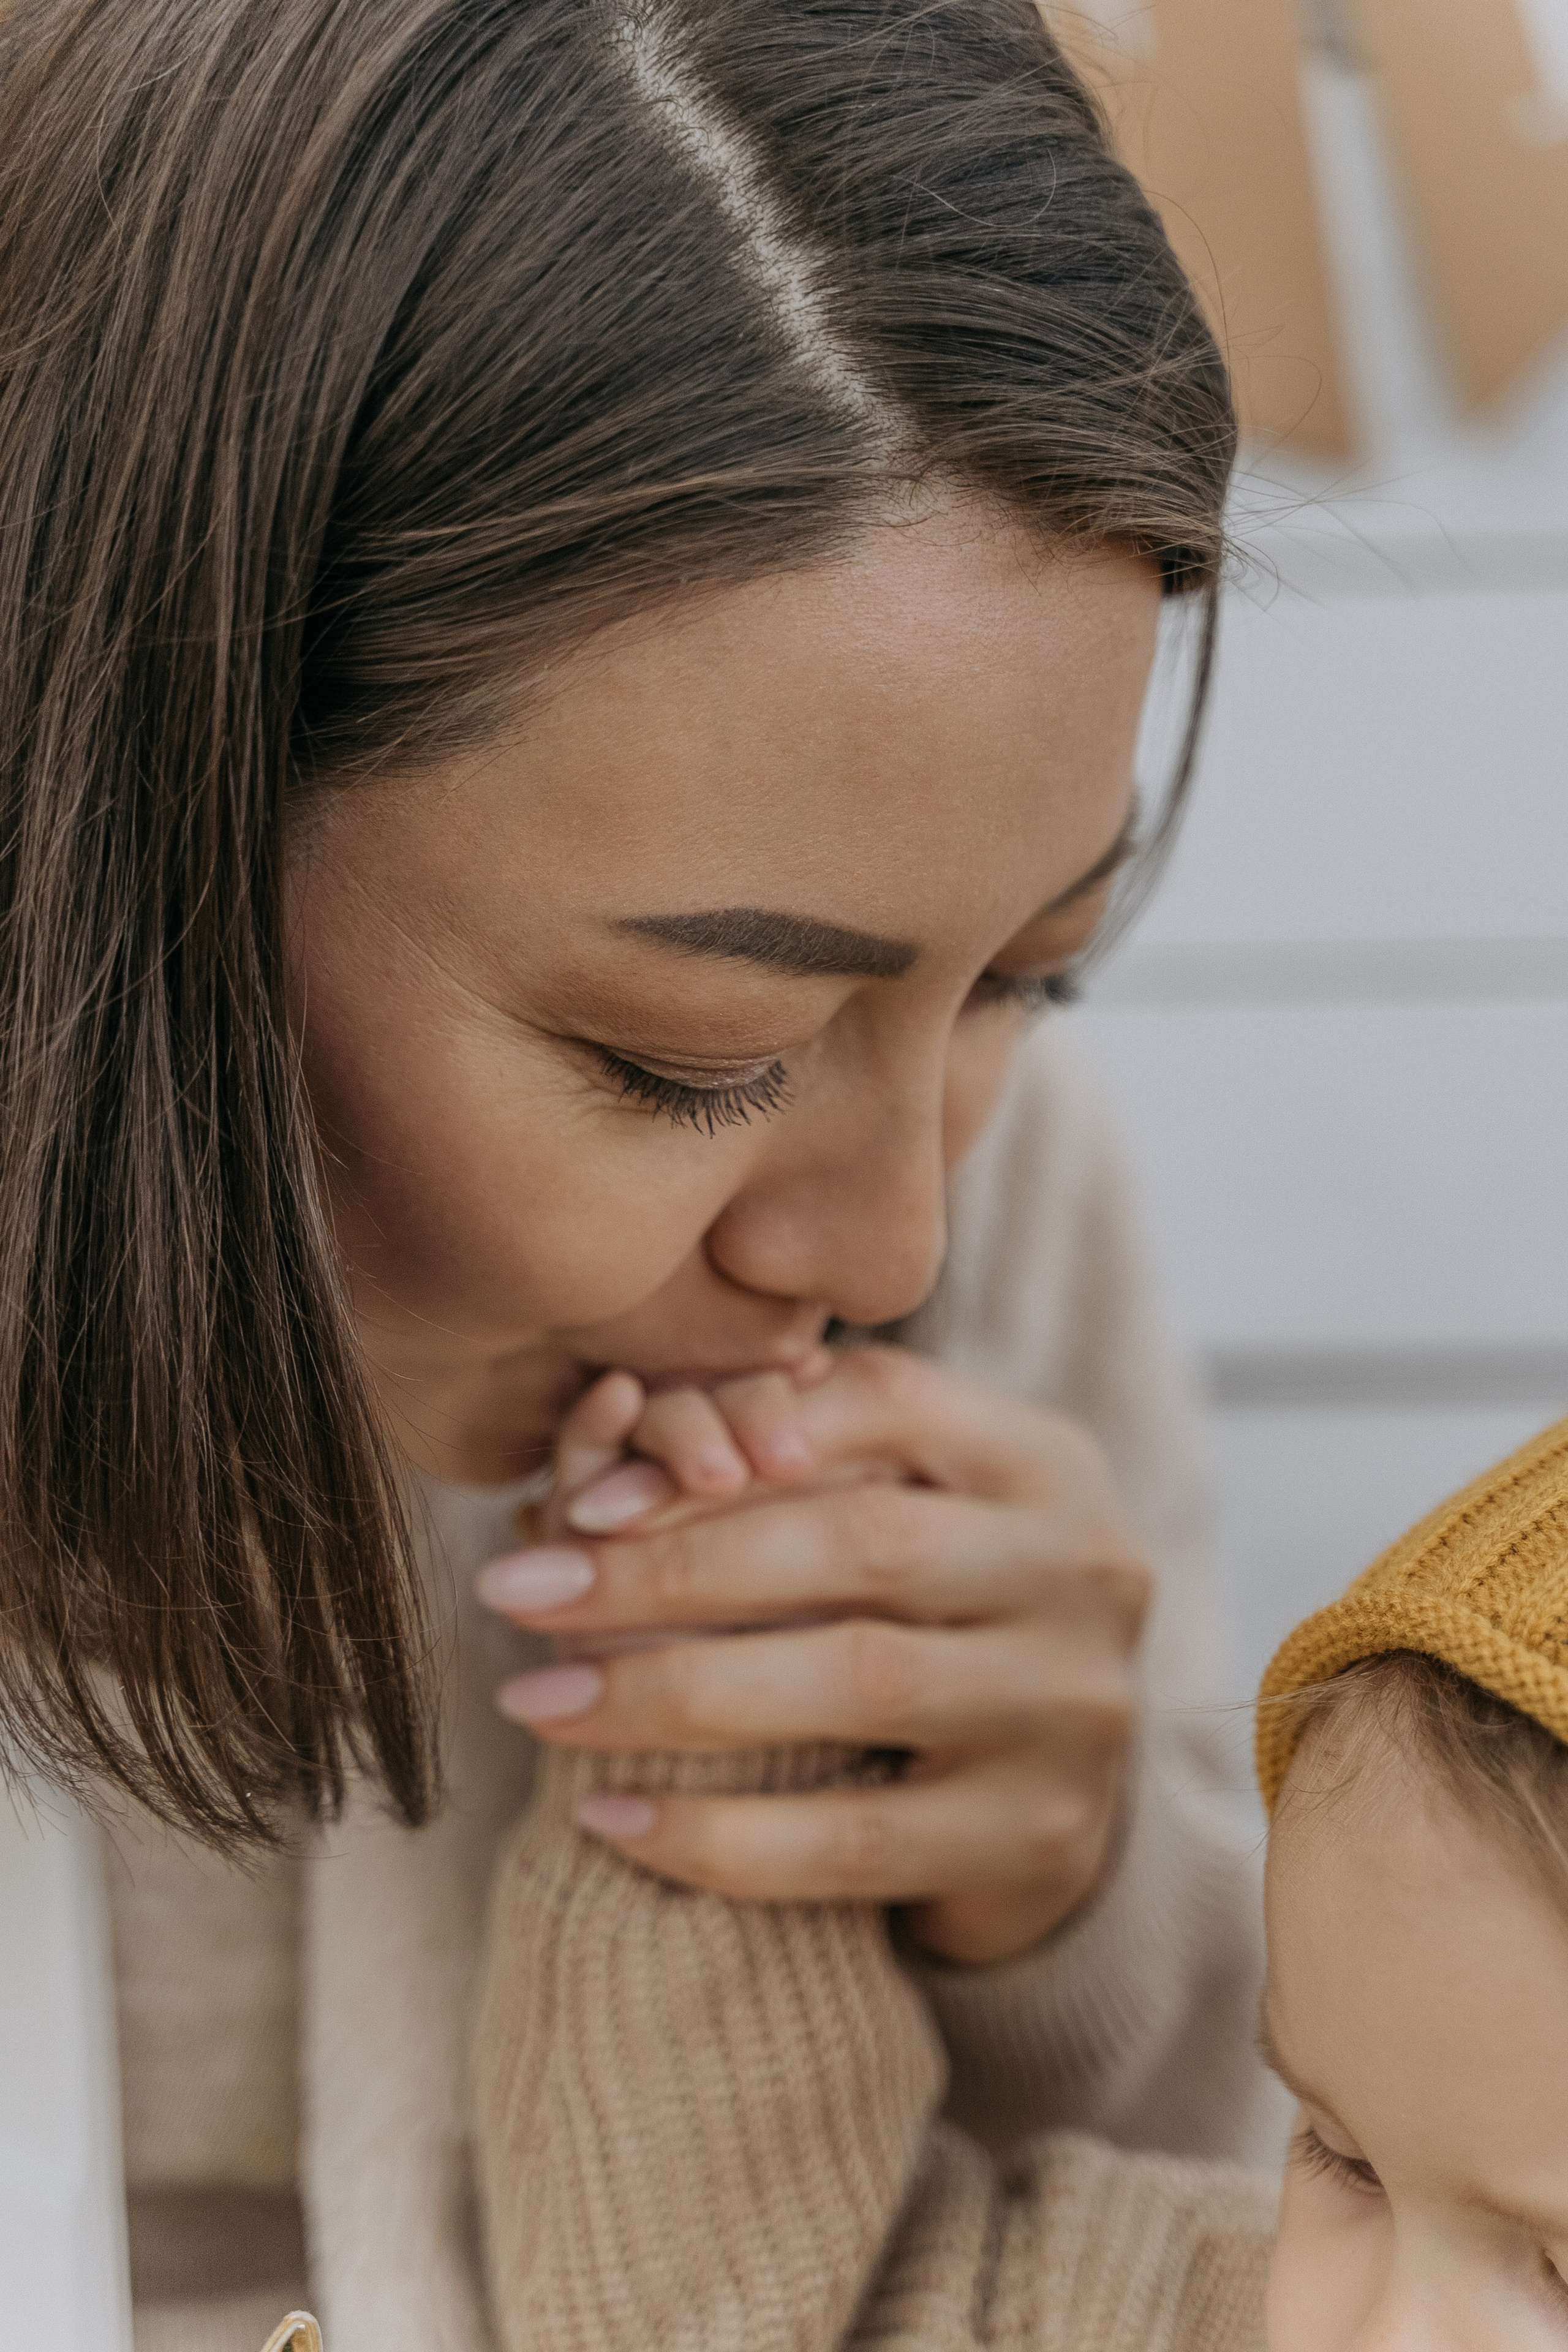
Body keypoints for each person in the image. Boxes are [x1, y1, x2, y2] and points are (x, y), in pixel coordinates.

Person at [0, 4, 1266, 2346]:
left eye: (1032, 975)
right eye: (695, 1056)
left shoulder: (1008, 1216)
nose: (892, 1241)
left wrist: (1084, 1909)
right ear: (115, 833)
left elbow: (1240, 2226)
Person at [463, 1414, 1568, 2352]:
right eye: (1343, 2156)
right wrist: (727, 1678)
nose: (1380, 2332)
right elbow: (737, 2317)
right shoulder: (1189, 2317)